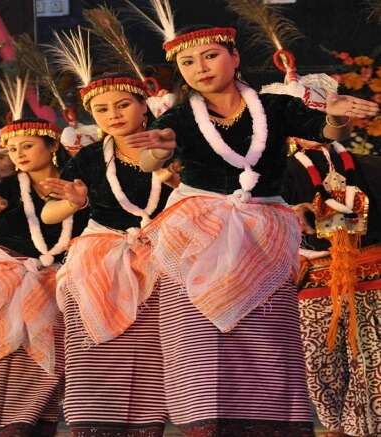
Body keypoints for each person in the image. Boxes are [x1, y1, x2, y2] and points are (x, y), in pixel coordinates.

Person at [135, 6, 379, 433]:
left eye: (210, 56)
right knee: (201, 337)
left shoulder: (274, 105)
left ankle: (269, 419)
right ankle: (204, 421)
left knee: (266, 336)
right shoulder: (176, 117)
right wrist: (154, 150)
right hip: (200, 233)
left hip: (264, 231)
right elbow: (152, 153)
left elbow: (327, 130)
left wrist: (337, 114)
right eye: (187, 62)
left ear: (235, 57)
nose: (199, 68)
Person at [39, 28, 174, 436]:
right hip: (100, 258)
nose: (113, 115)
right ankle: (94, 420)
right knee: (96, 345)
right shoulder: (91, 158)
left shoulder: (172, 142)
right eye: (101, 110)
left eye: (122, 105)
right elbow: (49, 214)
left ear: (143, 107)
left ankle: (148, 423)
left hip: (163, 255)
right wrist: (74, 203)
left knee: (153, 345)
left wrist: (174, 177)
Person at [0, 74, 87, 437]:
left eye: (27, 146)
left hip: (55, 279)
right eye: (13, 150)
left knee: (43, 360)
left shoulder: (77, 181)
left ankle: (27, 421)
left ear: (51, 145)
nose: (19, 155)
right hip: (1, 276)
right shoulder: (9, 187)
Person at [284, 137, 381, 437]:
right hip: (314, 278)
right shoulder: (275, 167)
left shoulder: (368, 164)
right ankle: (336, 428)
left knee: (373, 366)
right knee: (318, 366)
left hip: (372, 273)